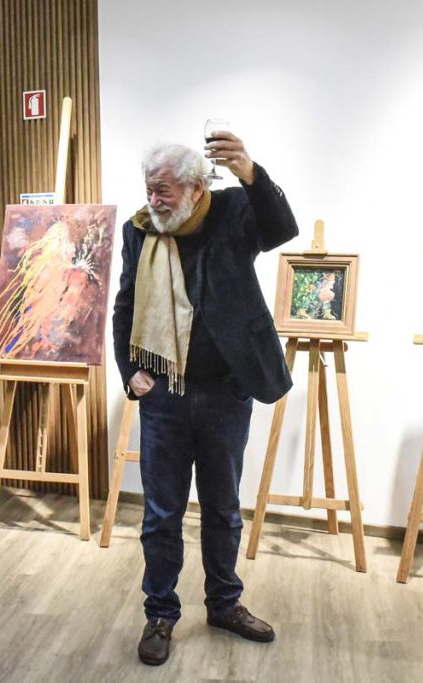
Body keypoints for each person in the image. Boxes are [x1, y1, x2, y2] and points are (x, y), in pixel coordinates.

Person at [111, 133, 299, 666]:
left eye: (165, 190)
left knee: (222, 509)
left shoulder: (232, 210)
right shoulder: (139, 231)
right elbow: (126, 303)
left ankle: (224, 604)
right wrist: (130, 371)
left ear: (196, 187)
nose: (155, 200)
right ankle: (160, 614)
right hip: (163, 396)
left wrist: (250, 171)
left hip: (225, 391)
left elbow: (281, 229)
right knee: (160, 514)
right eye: (150, 189)